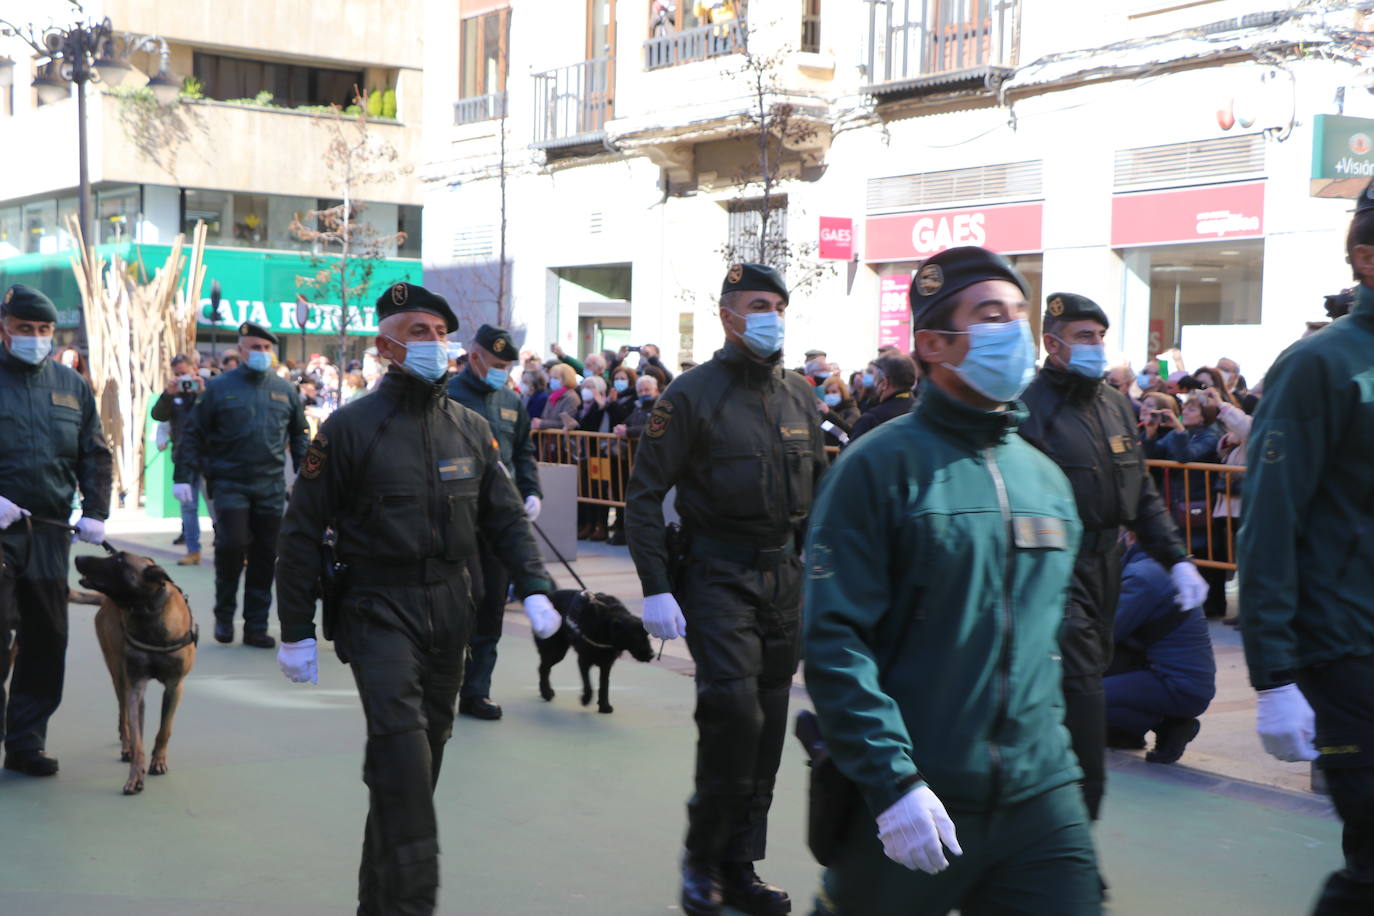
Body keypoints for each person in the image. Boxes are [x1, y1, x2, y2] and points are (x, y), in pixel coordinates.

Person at [804, 248, 1099, 914]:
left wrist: (1079, 769)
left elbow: (1052, 642)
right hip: (920, 794)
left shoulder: (1044, 480)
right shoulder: (877, 468)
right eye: (990, 316)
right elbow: (834, 640)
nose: (1014, 332)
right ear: (932, 344)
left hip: (1040, 796)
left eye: (1018, 314)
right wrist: (893, 781)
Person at [274, 282, 560, 916]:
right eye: (417, 332)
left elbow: (507, 518)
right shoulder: (349, 429)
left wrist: (537, 587)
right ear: (384, 346)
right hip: (377, 606)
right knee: (403, 759)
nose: (434, 343)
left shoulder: (471, 428)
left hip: (451, 607)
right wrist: (294, 627)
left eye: (439, 331)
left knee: (415, 768)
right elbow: (299, 531)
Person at [625, 263, 825, 916]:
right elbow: (645, 496)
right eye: (758, 304)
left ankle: (740, 866)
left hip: (782, 581)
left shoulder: (800, 395)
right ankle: (702, 858)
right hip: (716, 577)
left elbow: (820, 498)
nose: (772, 315)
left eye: (778, 305)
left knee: (765, 733)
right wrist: (656, 587)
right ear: (728, 314)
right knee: (733, 716)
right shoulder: (689, 396)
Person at [1238, 181, 1374, 915]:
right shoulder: (1320, 364)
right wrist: (1274, 675)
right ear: (1366, 257)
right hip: (1349, 649)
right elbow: (1268, 523)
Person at [1018, 292, 1204, 824]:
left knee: (1070, 695)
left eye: (1099, 336)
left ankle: (1044, 826)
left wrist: (1176, 558)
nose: (1095, 346)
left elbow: (1140, 492)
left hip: (1107, 570)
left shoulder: (1114, 404)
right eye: (1083, 337)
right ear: (1052, 344)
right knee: (1081, 699)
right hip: (1055, 570)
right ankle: (1072, 839)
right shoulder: (1029, 409)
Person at [0, 284, 112, 777]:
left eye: (44, 330)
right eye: (25, 329)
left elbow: (95, 452)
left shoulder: (72, 385)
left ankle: (26, 743)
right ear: (4, 328)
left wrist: (96, 510)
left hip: (48, 532)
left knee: (46, 639)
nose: (36, 338)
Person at [174, 322, 309, 648]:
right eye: (254, 347)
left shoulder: (285, 390)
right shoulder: (220, 388)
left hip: (270, 486)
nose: (261, 353)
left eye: (266, 348)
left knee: (265, 556)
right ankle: (224, 614)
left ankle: (255, 626)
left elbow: (300, 437)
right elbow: (194, 433)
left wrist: (307, 478)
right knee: (232, 545)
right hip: (230, 482)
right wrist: (182, 476)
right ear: (241, 349)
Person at [445, 323, 543, 721]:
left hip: (500, 521)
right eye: (499, 363)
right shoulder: (447, 395)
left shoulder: (510, 401)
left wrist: (532, 490)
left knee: (491, 607)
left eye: (509, 365)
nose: (505, 371)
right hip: (456, 517)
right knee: (460, 603)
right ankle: (442, 684)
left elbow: (523, 450)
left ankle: (476, 690)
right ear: (475, 357)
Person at [1104, 538, 1216, 764]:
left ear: (1130, 535)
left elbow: (1107, 633)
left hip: (1177, 685)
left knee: (1080, 694)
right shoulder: (1156, 566)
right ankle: (1131, 731)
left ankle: (1169, 725)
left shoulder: (1143, 575)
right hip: (1179, 680)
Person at [151, 353, 210, 565]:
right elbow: (158, 415)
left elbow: (219, 415)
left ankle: (228, 548)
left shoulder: (207, 390)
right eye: (177, 375)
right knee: (188, 506)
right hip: (184, 458)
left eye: (184, 374)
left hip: (210, 457)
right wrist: (168, 394)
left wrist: (203, 392)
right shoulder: (173, 395)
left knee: (217, 505)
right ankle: (193, 550)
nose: (182, 379)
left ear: (194, 368)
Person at [847, 353, 916, 444]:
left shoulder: (871, 419)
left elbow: (851, 454)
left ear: (884, 383)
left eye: (874, 377)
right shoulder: (923, 411)